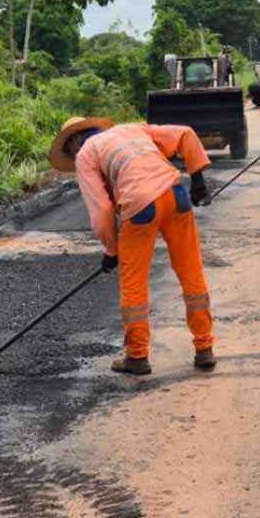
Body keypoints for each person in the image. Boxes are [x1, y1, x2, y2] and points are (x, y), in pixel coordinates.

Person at [48, 117, 216, 375]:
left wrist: (111, 250)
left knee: (133, 282)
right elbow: (185, 132)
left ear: (73, 144)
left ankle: (137, 356)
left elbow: (101, 210)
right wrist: (197, 177)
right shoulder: (131, 129)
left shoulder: (85, 155)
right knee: (191, 272)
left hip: (140, 206)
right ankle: (205, 348)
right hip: (176, 195)